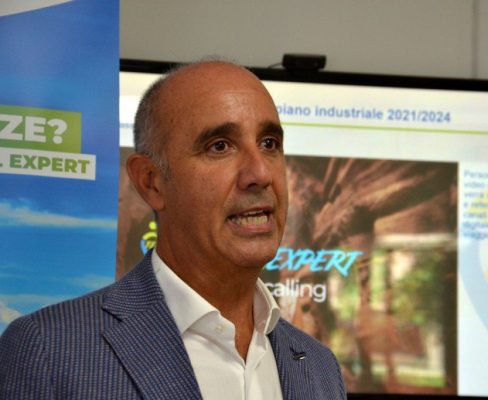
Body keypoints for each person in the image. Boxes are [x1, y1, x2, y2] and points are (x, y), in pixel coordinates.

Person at [0, 61, 347, 400]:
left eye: (269, 143)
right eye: (220, 146)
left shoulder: (320, 369)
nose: (260, 173)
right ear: (151, 182)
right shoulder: (50, 351)